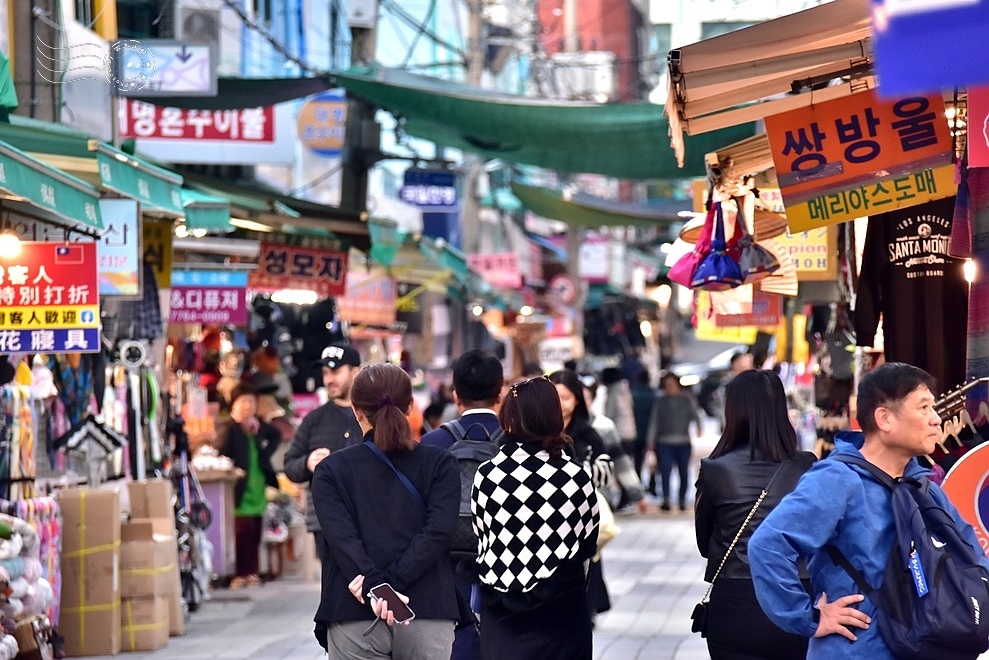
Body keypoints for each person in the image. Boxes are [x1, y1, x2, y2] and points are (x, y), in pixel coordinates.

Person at [748, 362, 989, 658]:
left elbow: (971, 554)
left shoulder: (923, 487)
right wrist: (808, 617)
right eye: (923, 408)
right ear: (884, 418)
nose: (936, 420)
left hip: (921, 648)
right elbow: (768, 546)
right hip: (857, 650)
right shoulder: (837, 479)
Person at [311, 363, 462, 659]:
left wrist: (377, 585)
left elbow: (342, 539)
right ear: (410, 406)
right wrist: (392, 584)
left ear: (356, 411)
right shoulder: (441, 463)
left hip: (355, 610)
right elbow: (438, 533)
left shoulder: (330, 470)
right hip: (428, 608)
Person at [469, 375, 599, 659]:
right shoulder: (576, 477)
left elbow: (483, 536)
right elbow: (587, 546)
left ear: (509, 420)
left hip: (502, 611)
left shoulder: (488, 475)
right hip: (562, 615)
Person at [694, 370, 816, 659]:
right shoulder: (807, 466)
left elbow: (704, 543)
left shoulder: (715, 469)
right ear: (779, 411)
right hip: (796, 593)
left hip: (735, 598)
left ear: (733, 411)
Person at [420, 349, 504, 660]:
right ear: (499, 394)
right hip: (503, 562)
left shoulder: (430, 445)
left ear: (456, 396)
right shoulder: (515, 444)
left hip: (445, 562)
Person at [283, 343, 363, 561]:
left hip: (368, 519)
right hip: (325, 521)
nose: (329, 380)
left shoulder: (372, 416)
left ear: (355, 372)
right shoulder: (314, 420)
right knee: (333, 589)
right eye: (325, 373)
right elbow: (290, 465)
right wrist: (307, 463)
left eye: (336, 372)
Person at [549, 369, 614, 619]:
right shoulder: (539, 434)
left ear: (577, 399)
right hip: (547, 520)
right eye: (555, 397)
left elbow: (606, 469)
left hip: (581, 519)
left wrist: (575, 472)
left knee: (586, 569)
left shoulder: (588, 434)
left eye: (566, 397)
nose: (561, 405)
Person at [217, 382, 280, 588]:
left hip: (258, 484)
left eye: (251, 402)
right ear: (234, 405)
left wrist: (259, 431)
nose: (248, 406)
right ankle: (240, 573)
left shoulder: (257, 426)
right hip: (240, 487)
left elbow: (276, 435)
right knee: (241, 532)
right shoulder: (231, 428)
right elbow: (223, 452)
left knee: (255, 530)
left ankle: (251, 571)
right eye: (243, 402)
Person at [579, 373, 647, 513]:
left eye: (586, 398)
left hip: (599, 497)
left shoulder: (603, 425)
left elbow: (621, 461)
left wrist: (637, 494)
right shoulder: (555, 428)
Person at [646, 372, 702, 511]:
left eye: (672, 384)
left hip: (683, 441)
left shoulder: (686, 400)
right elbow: (654, 422)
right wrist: (650, 440)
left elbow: (695, 415)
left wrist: (699, 427)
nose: (669, 388)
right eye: (667, 385)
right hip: (664, 442)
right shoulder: (661, 401)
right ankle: (666, 499)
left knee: (683, 472)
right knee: (665, 471)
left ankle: (682, 499)